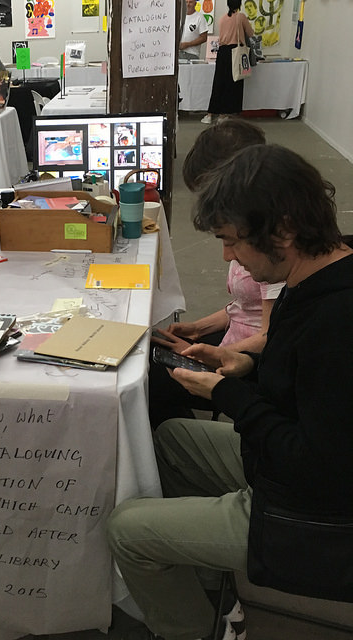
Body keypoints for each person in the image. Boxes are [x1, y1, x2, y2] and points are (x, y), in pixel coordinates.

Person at [108, 144, 353, 640]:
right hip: (286, 473)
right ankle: (210, 586)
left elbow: (315, 462)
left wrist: (227, 395)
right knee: (171, 440)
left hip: (312, 516)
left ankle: (199, 631)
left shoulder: (336, 321)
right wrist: (246, 363)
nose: (225, 256)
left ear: (282, 229)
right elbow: (302, 379)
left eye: (232, 241)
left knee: (126, 531)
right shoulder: (315, 277)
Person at [149, 119, 283, 428]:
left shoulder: (270, 253)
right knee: (150, 347)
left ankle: (178, 444)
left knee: (152, 379)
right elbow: (242, 307)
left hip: (246, 361)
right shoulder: (249, 233)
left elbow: (269, 337)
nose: (227, 255)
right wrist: (197, 328)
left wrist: (207, 354)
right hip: (236, 344)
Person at [201, 0, 253, 124]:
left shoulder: (222, 18)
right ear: (239, 5)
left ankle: (210, 114)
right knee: (232, 83)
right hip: (235, 51)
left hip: (222, 52)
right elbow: (251, 33)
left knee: (219, 82)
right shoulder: (241, 17)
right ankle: (224, 115)